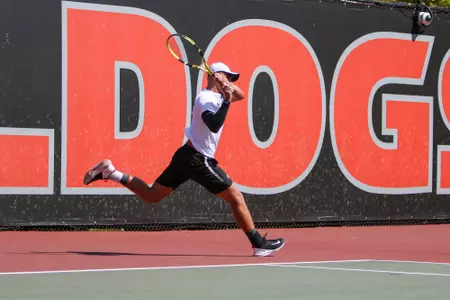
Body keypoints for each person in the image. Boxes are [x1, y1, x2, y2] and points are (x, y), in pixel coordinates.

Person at [83, 62, 285, 257]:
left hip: (186, 156)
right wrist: (225, 98)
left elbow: (239, 95)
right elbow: (213, 124)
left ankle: (111, 172)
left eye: (232, 78)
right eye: (229, 76)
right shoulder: (206, 98)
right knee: (236, 197)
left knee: (153, 195)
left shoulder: (219, 94)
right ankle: (259, 245)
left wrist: (226, 86)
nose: (231, 80)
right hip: (198, 158)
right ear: (216, 76)